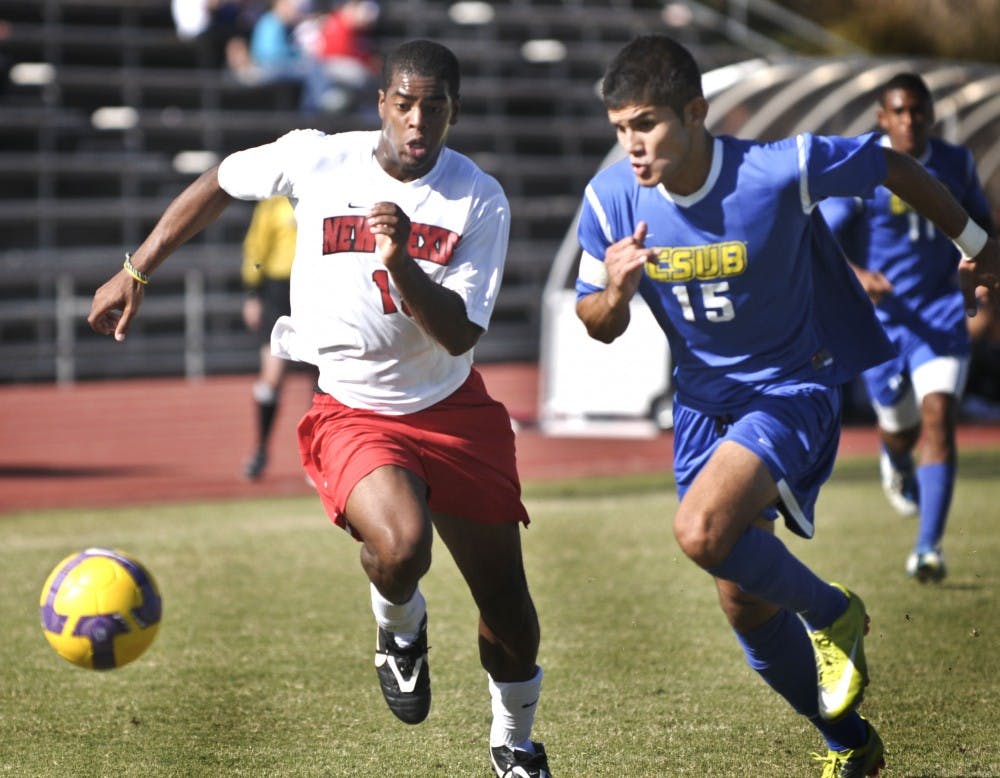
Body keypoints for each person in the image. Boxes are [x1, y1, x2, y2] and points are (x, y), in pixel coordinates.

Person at [87, 39, 552, 778]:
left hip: (450, 405)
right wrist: (138, 267)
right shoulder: (318, 157)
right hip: (351, 407)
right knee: (401, 549)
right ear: (381, 103)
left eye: (434, 105)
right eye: (403, 102)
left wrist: (400, 264)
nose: (417, 118)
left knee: (509, 610)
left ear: (454, 112)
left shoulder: (478, 196)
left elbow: (461, 330)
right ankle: (400, 627)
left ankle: (515, 741)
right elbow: (219, 180)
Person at [573, 35, 999, 777]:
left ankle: (834, 611)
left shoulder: (775, 169)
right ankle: (848, 744)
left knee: (701, 530)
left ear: (696, 112)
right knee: (741, 601)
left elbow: (891, 164)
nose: (631, 146)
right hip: (704, 410)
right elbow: (597, 324)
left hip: (793, 389)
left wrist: (976, 243)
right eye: (619, 129)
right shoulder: (611, 198)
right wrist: (615, 291)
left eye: (646, 124)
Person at [819, 73, 996, 583]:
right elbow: (822, 239)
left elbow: (983, 230)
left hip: (940, 312)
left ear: (930, 114)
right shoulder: (861, 164)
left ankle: (928, 549)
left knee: (939, 416)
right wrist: (859, 276)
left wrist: (979, 274)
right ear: (882, 117)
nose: (909, 120)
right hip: (882, 321)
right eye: (899, 111)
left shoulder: (956, 163)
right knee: (902, 430)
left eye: (918, 111)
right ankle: (895, 460)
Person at [240, 195, 298, 480]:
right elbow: (256, 249)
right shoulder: (273, 203)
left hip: (317, 288)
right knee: (272, 376)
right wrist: (253, 292)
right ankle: (261, 449)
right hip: (279, 291)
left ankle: (323, 455)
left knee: (324, 377)